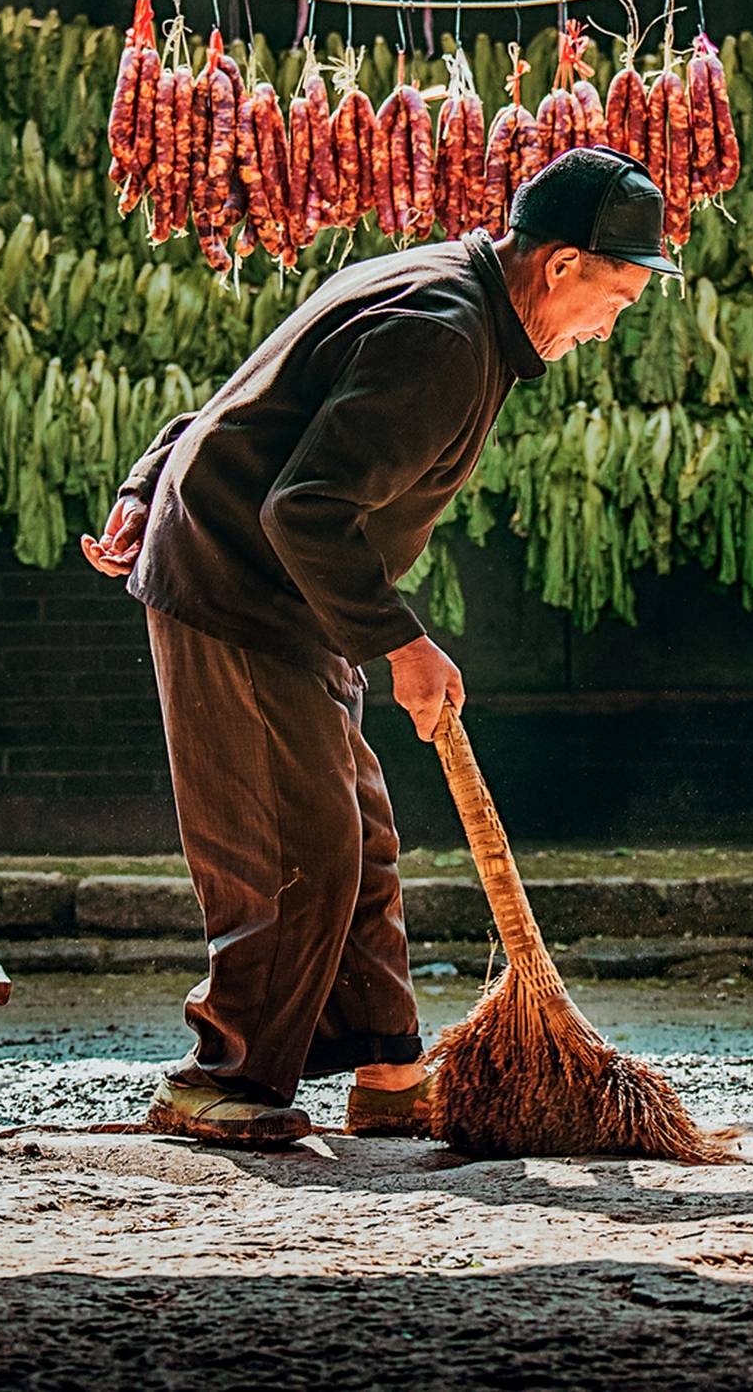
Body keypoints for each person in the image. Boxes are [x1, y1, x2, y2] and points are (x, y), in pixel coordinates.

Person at [82, 146, 673, 1145]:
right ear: (562, 264)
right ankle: (221, 1078)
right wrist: (402, 642)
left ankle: (391, 1068)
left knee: (358, 836)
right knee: (296, 845)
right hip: (236, 585)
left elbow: (250, 398)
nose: (610, 323)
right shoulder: (445, 333)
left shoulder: (442, 289)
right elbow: (304, 508)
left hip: (289, 596)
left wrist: (146, 480)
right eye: (615, 295)